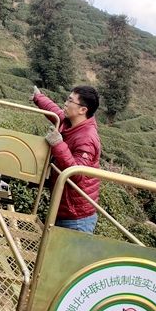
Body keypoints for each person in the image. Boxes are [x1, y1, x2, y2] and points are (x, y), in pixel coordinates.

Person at [32, 85, 101, 233]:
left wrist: (58, 144)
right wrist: (38, 97)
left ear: (82, 110)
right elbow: (55, 112)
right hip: (63, 208)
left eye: (70, 101)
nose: (65, 103)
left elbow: (76, 174)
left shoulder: (87, 138)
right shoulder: (71, 122)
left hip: (76, 217)